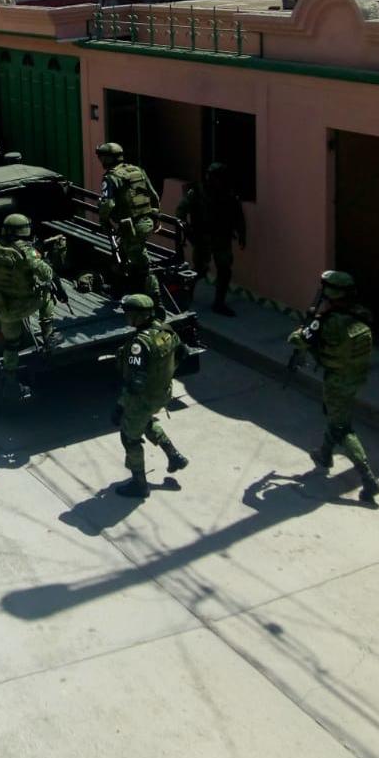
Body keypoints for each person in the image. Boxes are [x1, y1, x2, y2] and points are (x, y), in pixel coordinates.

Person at [287, 270, 379, 503]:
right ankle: (324, 454)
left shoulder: (326, 321)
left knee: (342, 428)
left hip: (337, 380)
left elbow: (298, 340)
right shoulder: (360, 314)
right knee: (336, 415)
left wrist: (303, 328)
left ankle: (369, 479)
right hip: (356, 377)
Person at [111, 293, 189, 498]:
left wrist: (120, 406)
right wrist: (163, 376)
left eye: (129, 314)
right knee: (145, 421)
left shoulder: (139, 344)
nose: (126, 317)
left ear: (139, 316)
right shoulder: (166, 331)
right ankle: (174, 456)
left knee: (129, 437)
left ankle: (139, 484)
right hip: (163, 393)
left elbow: (135, 383)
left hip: (143, 398)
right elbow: (183, 353)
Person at [0, 213, 59, 399]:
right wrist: (41, 256)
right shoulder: (25, 250)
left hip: (1, 308)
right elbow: (47, 274)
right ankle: (49, 336)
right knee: (46, 294)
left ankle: (10, 379)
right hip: (22, 306)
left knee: (11, 344)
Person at [176, 161, 246, 316]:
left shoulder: (228, 192)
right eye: (213, 176)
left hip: (222, 238)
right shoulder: (197, 192)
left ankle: (219, 303)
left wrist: (242, 233)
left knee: (225, 271)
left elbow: (237, 214)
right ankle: (185, 298)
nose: (215, 180)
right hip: (203, 238)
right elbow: (180, 212)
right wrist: (188, 232)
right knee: (199, 271)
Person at [96, 141, 161, 299]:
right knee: (121, 256)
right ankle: (117, 290)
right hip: (146, 222)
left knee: (141, 265)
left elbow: (108, 203)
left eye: (102, 157)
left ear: (108, 159)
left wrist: (103, 220)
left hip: (131, 227)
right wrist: (156, 217)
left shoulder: (111, 178)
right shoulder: (137, 171)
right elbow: (154, 196)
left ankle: (153, 299)